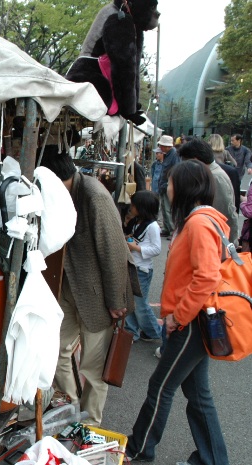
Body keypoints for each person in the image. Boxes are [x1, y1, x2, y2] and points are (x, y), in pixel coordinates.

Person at [126, 159, 230, 464]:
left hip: (191, 322)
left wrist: (178, 316)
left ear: (185, 187)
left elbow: (207, 276)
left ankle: (139, 449)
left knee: (160, 387)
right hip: (197, 319)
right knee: (198, 396)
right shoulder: (204, 219)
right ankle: (213, 458)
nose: (166, 188)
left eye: (170, 183)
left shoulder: (198, 223)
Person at [41, 151, 134, 426]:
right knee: (54, 350)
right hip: (67, 285)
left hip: (99, 294)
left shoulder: (94, 195)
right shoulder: (59, 195)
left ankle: (90, 421)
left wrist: (117, 300)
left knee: (94, 367)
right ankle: (70, 409)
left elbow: (115, 252)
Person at [179, 138, 237, 242]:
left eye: (185, 162)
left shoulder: (215, 177)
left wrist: (231, 245)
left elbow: (227, 214)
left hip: (213, 241)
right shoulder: (207, 174)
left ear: (195, 160)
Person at [123, 190, 162, 342]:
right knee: (131, 302)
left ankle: (154, 331)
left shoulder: (152, 226)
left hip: (142, 270)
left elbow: (156, 249)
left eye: (134, 205)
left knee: (140, 305)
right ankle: (132, 331)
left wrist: (136, 248)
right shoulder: (138, 221)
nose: (131, 208)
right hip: (133, 266)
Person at [157, 135, 179, 239]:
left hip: (168, 185)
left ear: (167, 146)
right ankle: (166, 228)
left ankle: (171, 230)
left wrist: (168, 185)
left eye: (161, 145)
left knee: (168, 209)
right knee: (164, 208)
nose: (160, 147)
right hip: (164, 184)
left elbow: (174, 172)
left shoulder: (174, 155)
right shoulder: (168, 154)